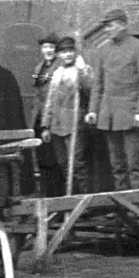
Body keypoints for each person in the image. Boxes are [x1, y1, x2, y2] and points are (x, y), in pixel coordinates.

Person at [86, 8, 139, 190]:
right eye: (106, 26)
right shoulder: (102, 51)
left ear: (123, 25)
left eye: (111, 26)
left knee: (134, 165)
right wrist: (93, 109)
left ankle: (138, 210)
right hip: (108, 115)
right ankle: (122, 209)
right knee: (117, 166)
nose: (107, 30)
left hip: (131, 114)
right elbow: (97, 85)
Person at [40, 36, 92, 195]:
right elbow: (50, 100)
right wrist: (45, 126)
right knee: (63, 163)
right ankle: (71, 197)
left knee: (78, 163)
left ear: (75, 52)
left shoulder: (83, 70)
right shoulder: (56, 73)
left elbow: (91, 89)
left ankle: (84, 201)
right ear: (59, 55)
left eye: (70, 51)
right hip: (57, 126)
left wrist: (83, 71)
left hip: (75, 124)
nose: (67, 54)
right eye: (63, 52)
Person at [31, 32, 62, 195]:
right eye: (45, 47)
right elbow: (37, 92)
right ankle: (47, 197)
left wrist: (48, 122)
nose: (48, 50)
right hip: (39, 118)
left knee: (55, 160)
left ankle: (57, 196)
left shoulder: (60, 66)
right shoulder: (39, 67)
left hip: (54, 119)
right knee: (42, 159)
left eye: (51, 47)